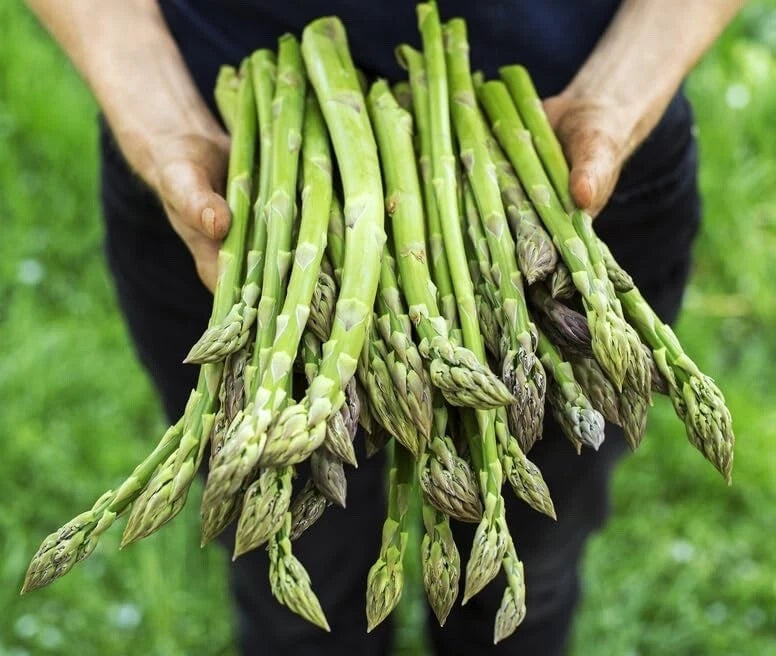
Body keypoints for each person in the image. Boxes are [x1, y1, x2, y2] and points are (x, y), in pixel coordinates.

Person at [26, 1, 745, 654]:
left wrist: (622, 92)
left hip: (559, 169)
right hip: (228, 168)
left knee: (527, 583)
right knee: (296, 604)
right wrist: (152, 108)